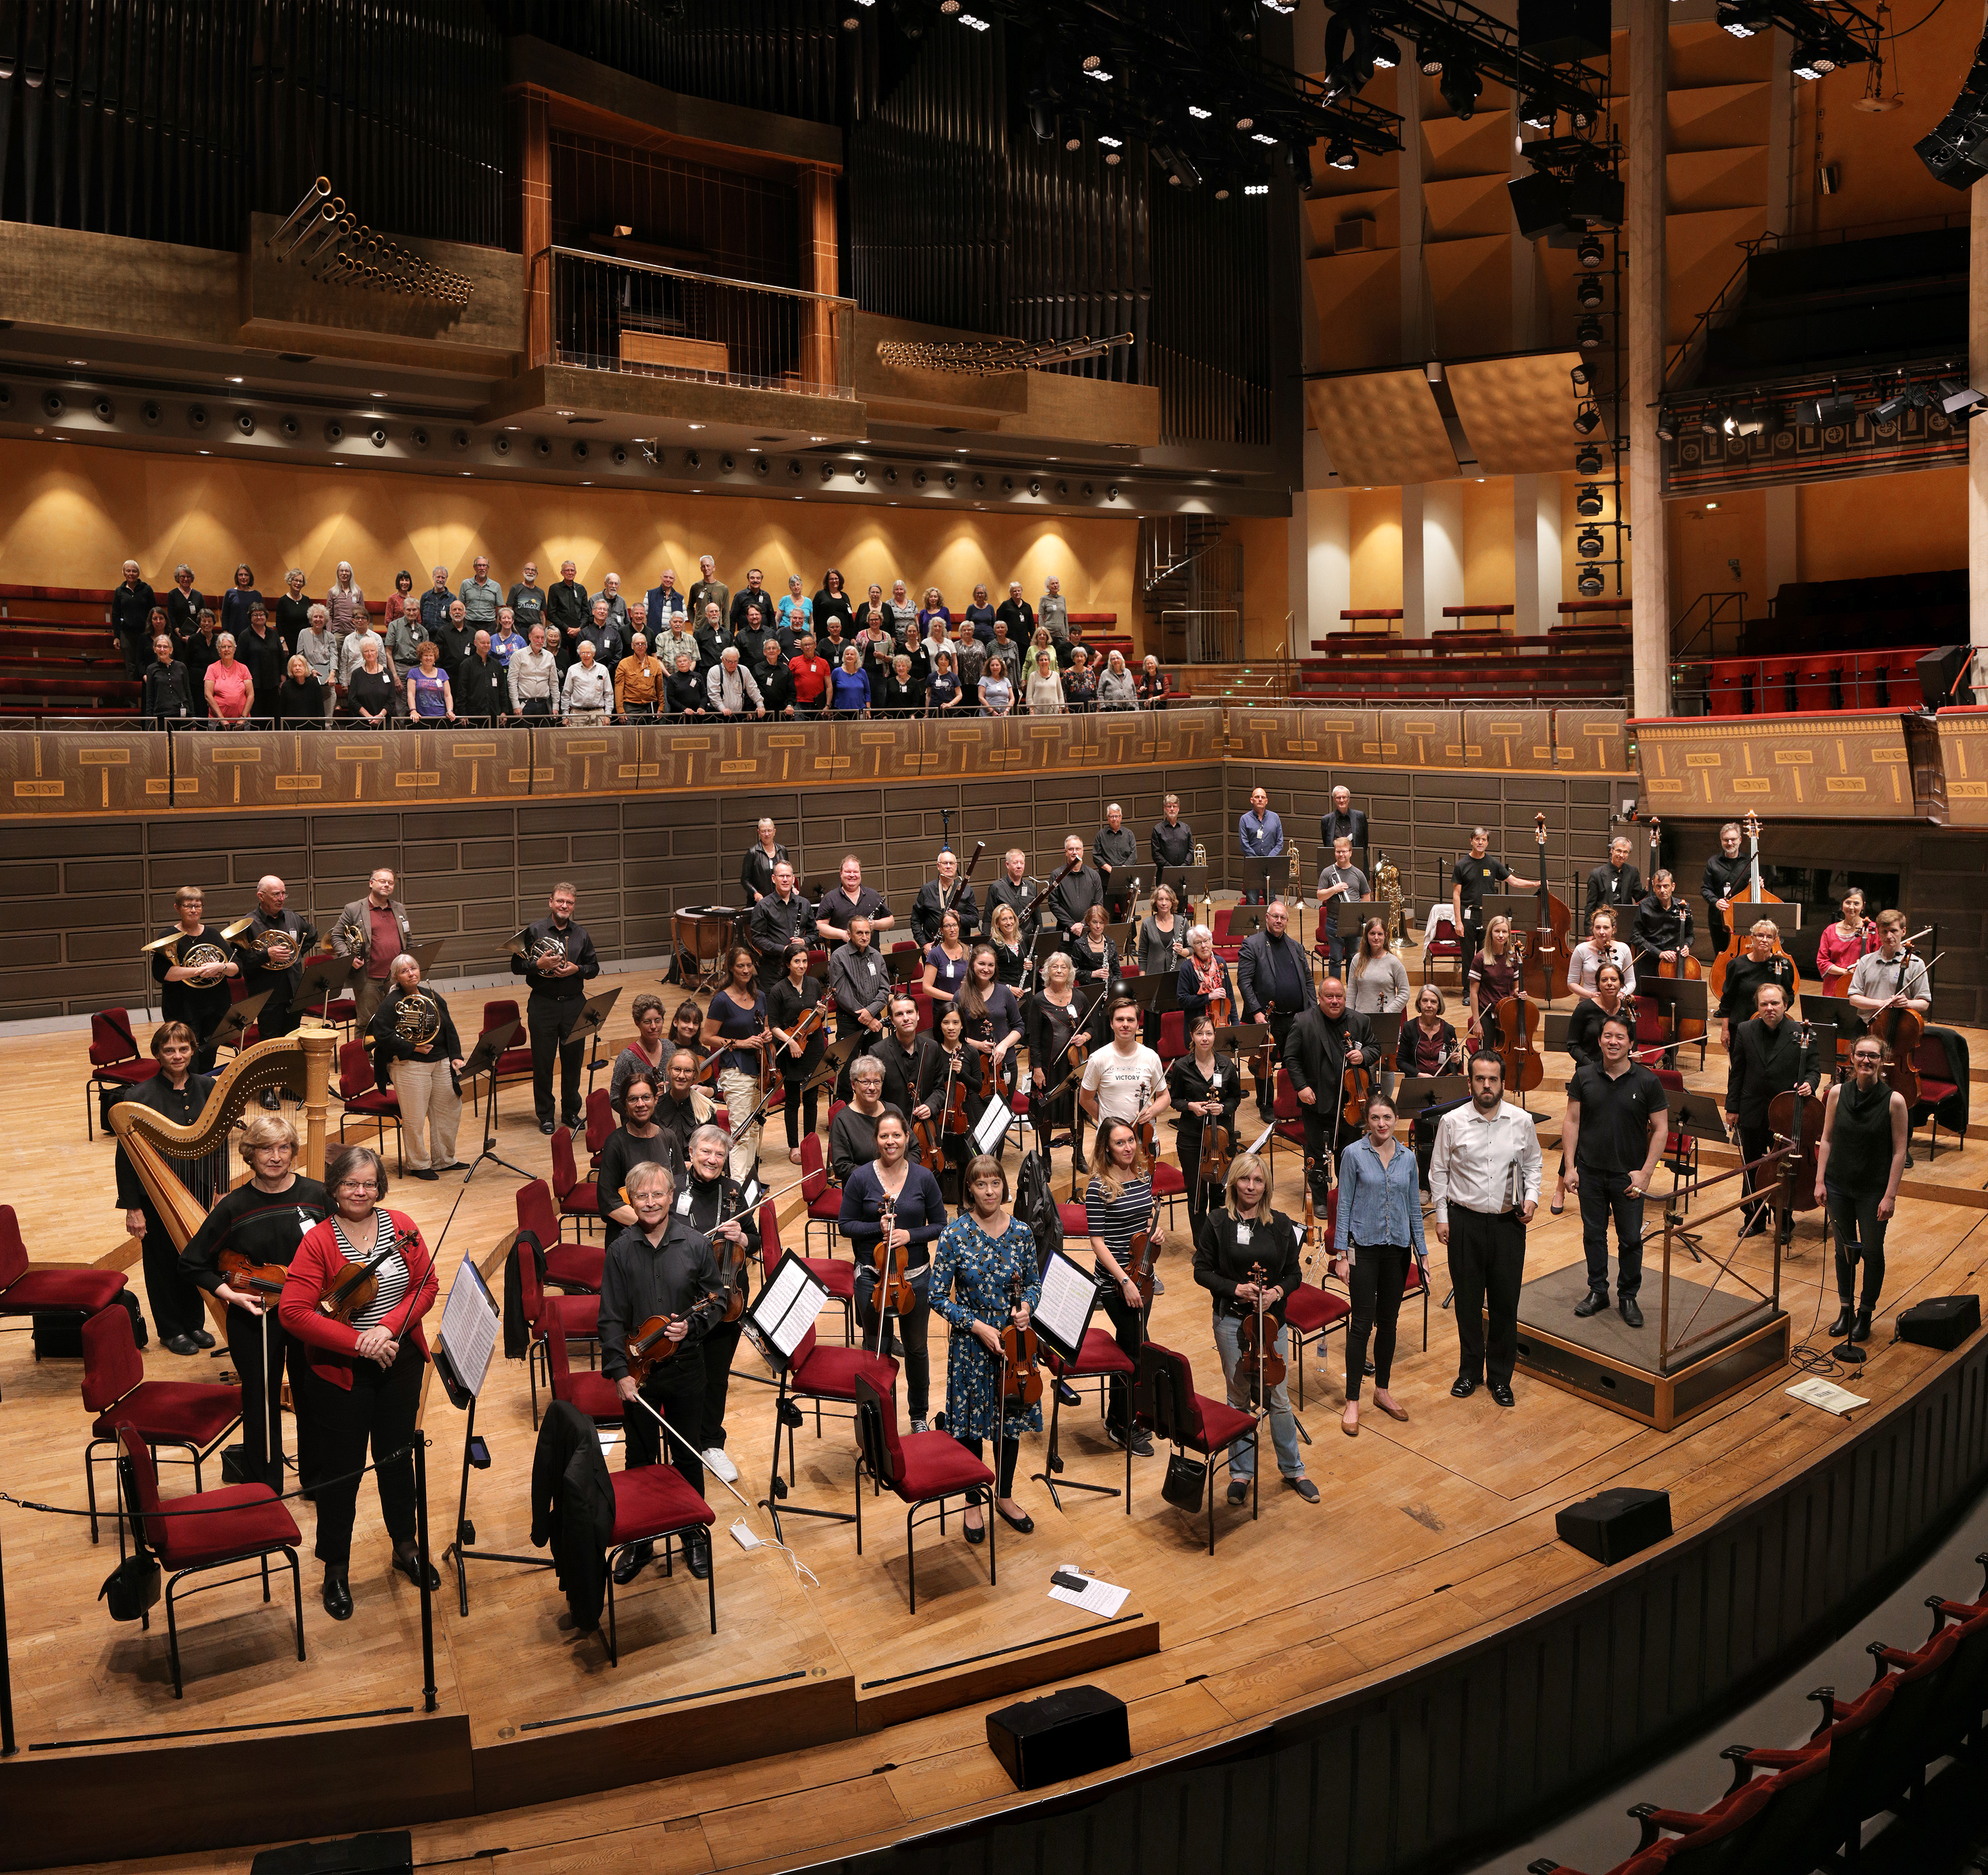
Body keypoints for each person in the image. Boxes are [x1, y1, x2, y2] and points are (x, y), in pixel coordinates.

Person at [278, 1144, 440, 1620]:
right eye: (351, 1183)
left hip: (400, 1361)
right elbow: (293, 1312)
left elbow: (425, 1285)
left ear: (380, 1187)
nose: (361, 1191)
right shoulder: (320, 1242)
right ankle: (336, 1566)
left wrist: (387, 1329)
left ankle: (405, 1545)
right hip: (340, 1375)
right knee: (342, 1472)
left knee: (396, 1458)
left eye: (369, 1183)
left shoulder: (402, 1225)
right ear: (334, 1188)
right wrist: (358, 1342)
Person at [181, 1112, 330, 1488]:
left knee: (312, 1394)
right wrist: (231, 1295)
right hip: (255, 1316)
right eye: (265, 1148)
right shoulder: (234, 1206)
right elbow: (192, 1263)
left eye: (283, 1147)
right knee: (260, 1400)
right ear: (250, 1155)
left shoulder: (317, 1196)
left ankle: (316, 1480)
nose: (276, 1156)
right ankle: (266, 1485)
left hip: (309, 1314)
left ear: (294, 1151)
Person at [599, 1159, 721, 1586]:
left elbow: (717, 1300)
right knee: (639, 1459)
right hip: (639, 1375)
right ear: (631, 1200)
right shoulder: (619, 1250)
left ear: (671, 1196)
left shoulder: (695, 1244)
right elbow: (611, 1318)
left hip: (687, 1369)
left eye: (658, 1194)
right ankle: (642, 1539)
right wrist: (620, 1373)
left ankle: (692, 1534)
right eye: (642, 1196)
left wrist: (693, 1326)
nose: (650, 1202)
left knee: (687, 1455)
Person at [1193, 1152, 1314, 1503]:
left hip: (1272, 1323)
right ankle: (1241, 1473)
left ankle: (1293, 1469)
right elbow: (1202, 1271)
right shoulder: (1217, 1222)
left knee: (1278, 1397)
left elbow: (1293, 1274)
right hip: (1232, 1320)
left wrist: (1276, 1291)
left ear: (1267, 1186)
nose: (1251, 1186)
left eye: (1258, 1180)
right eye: (1245, 1179)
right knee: (1238, 1398)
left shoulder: (1280, 1225)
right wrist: (1235, 1289)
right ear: (1234, 1183)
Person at [931, 1154, 1041, 1538]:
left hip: (1015, 1346)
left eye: (995, 1183)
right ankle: (974, 1501)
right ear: (970, 1190)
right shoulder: (954, 1235)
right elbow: (937, 1296)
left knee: (1010, 1420)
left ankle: (1005, 1495)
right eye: (981, 1184)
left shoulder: (1023, 1233)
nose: (989, 1191)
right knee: (971, 1426)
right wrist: (977, 1326)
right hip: (971, 1346)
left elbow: (1034, 1284)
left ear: (1003, 1187)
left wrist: (1026, 1307)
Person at [1429, 1051, 1541, 1408]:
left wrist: (1533, 1199)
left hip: (1509, 1224)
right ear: (1470, 1082)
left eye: (1493, 1079)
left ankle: (1501, 1378)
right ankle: (1469, 1372)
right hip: (1465, 1223)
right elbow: (1439, 1173)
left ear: (1503, 1083)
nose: (1487, 1085)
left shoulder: (1521, 1121)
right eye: (1480, 1079)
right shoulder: (1452, 1121)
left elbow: (1534, 1165)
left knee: (1506, 1303)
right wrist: (1442, 1217)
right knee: (1467, 1302)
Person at [111, 1021, 218, 1354]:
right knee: (162, 1263)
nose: (177, 1056)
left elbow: (218, 1139)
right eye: (169, 1050)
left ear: (193, 1049)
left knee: (195, 1258)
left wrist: (220, 1189)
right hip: (155, 1192)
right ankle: (172, 1330)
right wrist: (133, 1207)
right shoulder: (139, 1096)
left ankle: (194, 1325)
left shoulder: (208, 1087)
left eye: (183, 1049)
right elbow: (125, 1157)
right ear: (158, 1053)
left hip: (198, 1190)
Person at [841, 1108, 946, 1431]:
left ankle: (918, 1417)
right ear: (876, 1140)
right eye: (884, 1136)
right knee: (876, 1349)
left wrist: (910, 1235)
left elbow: (941, 1224)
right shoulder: (860, 1178)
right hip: (873, 1280)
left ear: (906, 1138)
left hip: (915, 1279)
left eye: (897, 1136)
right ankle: (877, 1420)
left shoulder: (923, 1177)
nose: (891, 1142)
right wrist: (878, 1228)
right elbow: (846, 1225)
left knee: (916, 1349)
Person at [1562, 1010, 1669, 1326]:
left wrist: (1646, 1173)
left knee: (1630, 1239)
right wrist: (1570, 1167)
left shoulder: (1648, 1081)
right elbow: (1571, 1121)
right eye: (1608, 1036)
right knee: (1593, 1235)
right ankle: (1598, 1291)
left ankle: (1628, 1296)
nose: (1613, 1042)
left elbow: (1661, 1129)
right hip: (1590, 1171)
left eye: (1620, 1037)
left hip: (1629, 1176)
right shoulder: (1584, 1076)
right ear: (1599, 1040)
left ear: (1631, 1043)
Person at [1331, 1094, 1425, 1435]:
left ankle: (1382, 1391)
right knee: (1361, 1324)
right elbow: (1344, 1205)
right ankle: (1353, 1400)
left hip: (1397, 1249)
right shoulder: (1353, 1154)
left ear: (1396, 1119)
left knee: (1389, 1323)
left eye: (1387, 1117)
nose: (1381, 1123)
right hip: (1364, 1248)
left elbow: (1414, 1207)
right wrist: (1341, 1253)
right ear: (1367, 1121)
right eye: (1375, 1118)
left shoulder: (1409, 1158)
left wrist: (1423, 1254)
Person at [676, 1124, 760, 1485]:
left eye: (719, 1155)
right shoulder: (675, 1189)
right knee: (685, 1375)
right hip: (685, 1298)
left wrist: (743, 1236)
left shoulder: (734, 1193)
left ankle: (711, 1442)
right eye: (705, 1152)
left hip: (727, 1298)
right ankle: (683, 1440)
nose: (712, 1159)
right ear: (691, 1153)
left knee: (718, 1376)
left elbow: (754, 1238)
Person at [1815, 1034, 1909, 1345]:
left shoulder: (1894, 1101)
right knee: (1844, 1250)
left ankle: (1866, 1312)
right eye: (1860, 1055)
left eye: (1873, 1056)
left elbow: (1899, 1152)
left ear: (1883, 1061)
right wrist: (1819, 1180)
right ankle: (1846, 1310)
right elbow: (1826, 1139)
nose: (1866, 1061)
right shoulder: (1837, 1094)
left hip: (1873, 1191)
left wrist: (1890, 1196)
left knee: (1870, 1251)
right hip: (1838, 1185)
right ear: (1852, 1058)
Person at [1085, 1116, 1157, 1454]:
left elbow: (1145, 1217)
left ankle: (1122, 1415)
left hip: (1143, 1273)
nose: (1128, 1147)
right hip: (1116, 1282)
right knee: (1135, 1352)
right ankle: (1121, 1424)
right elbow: (1097, 1242)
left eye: (1131, 1140)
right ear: (1106, 1147)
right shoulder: (1098, 1186)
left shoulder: (1141, 1175)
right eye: (1120, 1143)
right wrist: (1124, 1281)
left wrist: (1153, 1228)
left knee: (1133, 1347)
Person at [1723, 981, 1818, 1238]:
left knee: (1783, 1168)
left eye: (1775, 1003)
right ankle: (1754, 1218)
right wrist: (1732, 1107)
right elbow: (1737, 1072)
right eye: (1764, 1004)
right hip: (1752, 1110)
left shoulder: (1801, 1033)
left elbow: (1813, 1069)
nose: (1769, 1008)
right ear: (1758, 1007)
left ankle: (1784, 1221)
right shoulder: (1745, 1030)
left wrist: (1810, 1084)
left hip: (1785, 1113)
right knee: (1752, 1166)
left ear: (1785, 1005)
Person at [513, 881, 601, 1134]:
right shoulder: (534, 931)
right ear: (550, 902)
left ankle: (571, 1112)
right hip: (544, 1005)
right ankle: (546, 1116)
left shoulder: (581, 934)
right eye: (560, 901)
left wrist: (578, 969)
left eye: (569, 902)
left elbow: (593, 968)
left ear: (574, 906)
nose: (564, 906)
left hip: (575, 1005)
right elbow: (516, 966)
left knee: (573, 1063)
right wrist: (538, 964)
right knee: (543, 1063)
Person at [368, 954, 464, 1181]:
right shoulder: (391, 1002)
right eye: (405, 971)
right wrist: (413, 1047)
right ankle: (419, 1163)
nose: (411, 973)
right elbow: (381, 1034)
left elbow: (448, 1027)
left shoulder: (432, 995)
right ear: (396, 977)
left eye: (414, 968)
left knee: (448, 1111)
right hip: (410, 1065)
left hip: (440, 1061)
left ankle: (444, 1159)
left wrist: (456, 1056)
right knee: (415, 1118)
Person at [1079, 998, 1169, 1203]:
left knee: (1141, 1203)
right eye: (1120, 1019)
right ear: (1111, 1023)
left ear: (1138, 1023)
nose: (1125, 1024)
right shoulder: (1099, 1058)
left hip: (1144, 1143)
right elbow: (1085, 1099)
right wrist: (1108, 1124)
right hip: (1110, 1145)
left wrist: (1153, 1111)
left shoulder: (1150, 1057)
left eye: (1131, 1019)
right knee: (1110, 1203)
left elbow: (1165, 1097)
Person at [1284, 976, 1379, 1169]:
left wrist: (1363, 1055)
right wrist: (1301, 1087)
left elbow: (1375, 1047)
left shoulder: (1360, 1021)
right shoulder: (1303, 1021)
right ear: (1320, 997)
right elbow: (1291, 1058)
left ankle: (1345, 1197)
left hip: (1352, 1104)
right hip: (1316, 1101)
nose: (1335, 1001)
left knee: (1350, 1158)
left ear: (1345, 997)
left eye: (1339, 996)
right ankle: (1320, 1200)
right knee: (1317, 1157)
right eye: (1329, 996)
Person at [1237, 898, 1315, 1119]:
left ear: (1287, 921)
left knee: (1297, 1059)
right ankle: (1266, 1105)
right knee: (1265, 1063)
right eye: (1275, 916)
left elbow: (1308, 981)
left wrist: (1312, 1011)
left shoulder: (1296, 947)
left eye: (1283, 917)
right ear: (1267, 918)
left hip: (1296, 1018)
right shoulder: (1252, 944)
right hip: (1267, 1018)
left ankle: (1294, 1102)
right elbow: (1244, 981)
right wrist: (1255, 1012)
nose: (1279, 921)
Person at [149, 886, 240, 1072]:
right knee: (188, 1061)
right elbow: (163, 974)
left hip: (215, 1007)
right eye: (188, 906)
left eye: (198, 906)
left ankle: (204, 1094)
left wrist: (221, 967)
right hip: (183, 1009)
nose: (194, 910)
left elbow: (237, 968)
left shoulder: (213, 934)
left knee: (208, 1058)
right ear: (177, 908)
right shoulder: (167, 936)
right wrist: (199, 970)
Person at [701, 946, 772, 1182]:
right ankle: (738, 1187)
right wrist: (740, 1043)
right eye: (740, 966)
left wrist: (767, 1035)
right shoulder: (721, 1000)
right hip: (736, 1070)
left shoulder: (760, 996)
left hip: (760, 1069)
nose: (745, 970)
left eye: (749, 965)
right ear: (731, 968)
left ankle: (749, 1182)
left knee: (753, 1128)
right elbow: (707, 1037)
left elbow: (765, 1028)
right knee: (740, 1131)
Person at [1171, 1013, 1241, 1223]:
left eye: (1209, 1033)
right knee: (1197, 1194)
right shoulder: (1182, 1066)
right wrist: (1191, 1106)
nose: (1204, 1038)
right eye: (1200, 1033)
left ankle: (1218, 1242)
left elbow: (1235, 1098)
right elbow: (1174, 1100)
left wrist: (1223, 1108)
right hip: (1192, 1138)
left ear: (1214, 1035)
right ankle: (1201, 1247)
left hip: (1222, 1138)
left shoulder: (1226, 1064)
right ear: (1192, 1035)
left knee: (1220, 1194)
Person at [233, 874, 318, 1041]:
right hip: (268, 996)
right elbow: (241, 961)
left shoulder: (292, 917)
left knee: (293, 1039)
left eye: (284, 893)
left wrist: (294, 954)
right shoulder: (248, 923)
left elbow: (312, 935)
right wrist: (267, 955)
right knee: (270, 1042)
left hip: (294, 991)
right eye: (276, 895)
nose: (281, 899)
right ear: (261, 896)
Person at [1451, 826, 1539, 984]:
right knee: (1467, 955)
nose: (1480, 842)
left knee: (1485, 954)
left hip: (1487, 916)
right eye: (1477, 839)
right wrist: (1458, 922)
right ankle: (1467, 991)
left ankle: (1483, 988)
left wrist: (1535, 884)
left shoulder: (1492, 863)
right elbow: (1456, 895)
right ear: (1471, 841)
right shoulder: (1461, 865)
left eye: (1484, 840)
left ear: (1487, 843)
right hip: (1468, 915)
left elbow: (1513, 881)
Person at [332, 867, 414, 1034]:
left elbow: (408, 938)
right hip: (368, 978)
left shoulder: (399, 909)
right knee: (366, 1023)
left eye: (391, 883)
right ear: (371, 883)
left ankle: (389, 1058)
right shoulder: (354, 909)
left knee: (397, 1020)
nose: (387, 885)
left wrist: (411, 964)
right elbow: (335, 936)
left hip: (396, 977)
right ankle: (364, 1060)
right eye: (382, 881)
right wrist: (347, 957)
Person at [597, 1071, 683, 1232]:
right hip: (629, 1232)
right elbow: (608, 1200)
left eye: (646, 1097)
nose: (641, 1104)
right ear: (625, 1104)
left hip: (666, 1228)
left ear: (656, 1099)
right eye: (633, 1099)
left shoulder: (668, 1137)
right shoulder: (615, 1142)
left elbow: (680, 1186)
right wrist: (651, 1223)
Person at [1026, 951, 1089, 1166]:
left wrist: (1085, 1036)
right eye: (1055, 967)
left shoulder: (1080, 997)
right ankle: (1046, 1157)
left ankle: (1078, 1154)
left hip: (1074, 1064)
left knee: (1076, 1109)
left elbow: (1091, 1026)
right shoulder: (1038, 1000)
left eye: (1064, 967)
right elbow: (1033, 1038)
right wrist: (1037, 1068)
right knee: (1046, 1113)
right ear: (1047, 972)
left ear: (1070, 971)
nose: (1060, 970)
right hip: (1048, 1066)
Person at [769, 942, 829, 1161]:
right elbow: (773, 1024)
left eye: (804, 961)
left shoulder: (813, 984)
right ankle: (794, 1147)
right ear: (788, 964)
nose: (802, 965)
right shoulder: (778, 990)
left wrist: (821, 1014)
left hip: (813, 1048)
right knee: (793, 1100)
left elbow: (815, 1019)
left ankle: (809, 1144)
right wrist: (791, 1042)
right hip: (791, 1049)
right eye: (797, 962)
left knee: (812, 1098)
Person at [1715, 920, 1798, 1050]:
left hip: (1771, 1027)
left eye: (1769, 937)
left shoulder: (1784, 965)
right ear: (1752, 938)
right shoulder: (1737, 965)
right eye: (1760, 935)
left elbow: (1789, 995)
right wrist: (1725, 1030)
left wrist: (1777, 1009)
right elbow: (1727, 1000)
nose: (1764, 940)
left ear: (1775, 941)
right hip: (1740, 1027)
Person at [1846, 908, 1932, 1018]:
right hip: (1867, 1025)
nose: (1889, 936)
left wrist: (1907, 1003)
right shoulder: (1865, 961)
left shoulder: (1916, 963)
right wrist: (1882, 1004)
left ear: (1904, 931)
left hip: (1901, 1026)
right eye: (1884, 931)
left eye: (1894, 931)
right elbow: (1854, 998)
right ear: (1878, 932)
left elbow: (1924, 1003)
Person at [747, 859, 815, 988]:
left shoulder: (804, 904)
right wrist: (782, 949)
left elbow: (815, 933)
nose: (785, 879)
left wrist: (804, 942)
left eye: (788, 876)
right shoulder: (763, 906)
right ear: (774, 878)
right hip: (773, 970)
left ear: (793, 878)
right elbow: (756, 939)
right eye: (781, 876)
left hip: (798, 970)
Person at [829, 915, 892, 1042]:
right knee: (849, 1062)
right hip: (849, 1022)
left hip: (875, 1017)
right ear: (849, 934)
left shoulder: (877, 956)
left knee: (875, 1061)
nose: (864, 937)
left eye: (867, 933)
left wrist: (871, 1011)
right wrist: (867, 1017)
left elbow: (885, 989)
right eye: (859, 933)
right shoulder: (838, 957)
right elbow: (841, 994)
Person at [1466, 914, 1524, 1052]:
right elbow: (1473, 993)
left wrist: (1520, 994)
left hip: (1507, 1012)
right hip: (1486, 1012)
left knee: (1505, 1052)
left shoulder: (1513, 958)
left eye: (1505, 932)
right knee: (1487, 1052)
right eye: (1497, 931)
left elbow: (1516, 988)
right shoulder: (1480, 958)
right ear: (1490, 933)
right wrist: (1476, 1022)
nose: (1501, 935)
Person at [609, 993, 672, 1115]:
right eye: (647, 1022)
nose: (654, 1026)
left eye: (658, 1020)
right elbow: (615, 1099)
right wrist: (642, 1110)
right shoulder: (627, 1059)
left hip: (668, 1117)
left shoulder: (669, 1047)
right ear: (637, 1023)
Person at [1316, 836, 1369, 976]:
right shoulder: (1328, 872)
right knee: (1335, 959)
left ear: (1350, 852)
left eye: (1344, 851)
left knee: (1353, 958)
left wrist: (1360, 915)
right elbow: (1320, 896)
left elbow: (1366, 896)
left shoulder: (1358, 874)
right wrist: (1335, 889)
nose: (1341, 854)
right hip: (1334, 922)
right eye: (1338, 851)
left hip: (1354, 923)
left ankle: (1351, 992)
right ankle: (1335, 993)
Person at [1564, 961, 1629, 1072]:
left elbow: (1631, 1042)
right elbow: (1573, 1045)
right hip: (1589, 1069)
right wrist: (1592, 1066)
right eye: (1604, 980)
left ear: (1621, 984)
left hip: (1620, 1070)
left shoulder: (1627, 1009)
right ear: (1598, 984)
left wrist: (1634, 1055)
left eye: (1614, 979)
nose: (1609, 983)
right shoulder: (1584, 1009)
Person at [1629, 870, 1695, 978]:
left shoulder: (1683, 907)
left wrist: (1686, 946)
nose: (1662, 890)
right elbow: (1635, 937)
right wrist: (1659, 953)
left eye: (1666, 886)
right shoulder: (1644, 906)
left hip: (1674, 961)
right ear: (1654, 888)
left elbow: (1690, 935)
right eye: (1658, 887)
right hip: (1649, 959)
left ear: (1673, 887)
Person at [1069, 902, 1119, 1042]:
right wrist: (1093, 974)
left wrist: (1113, 992)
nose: (1098, 926)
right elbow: (1072, 972)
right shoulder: (1080, 944)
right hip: (1089, 995)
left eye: (1101, 923)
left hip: (1108, 996)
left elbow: (1117, 972)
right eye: (1094, 922)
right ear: (1088, 923)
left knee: (1109, 1034)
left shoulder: (1111, 943)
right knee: (1094, 1034)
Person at [1701, 821, 1751, 959]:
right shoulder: (1713, 862)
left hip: (1742, 918)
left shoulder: (1750, 861)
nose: (1730, 843)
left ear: (1740, 840)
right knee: (1721, 954)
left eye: (1733, 839)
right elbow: (1705, 889)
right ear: (1721, 841)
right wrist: (1716, 902)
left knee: (1742, 956)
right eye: (1726, 840)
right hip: (1718, 918)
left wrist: (1759, 883)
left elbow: (1759, 886)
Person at [912, 846, 980, 945]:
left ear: (956, 866)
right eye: (945, 863)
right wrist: (924, 944)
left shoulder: (967, 890)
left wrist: (959, 917)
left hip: (960, 947)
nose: (949, 866)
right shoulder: (927, 890)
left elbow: (975, 920)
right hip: (933, 948)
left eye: (951, 863)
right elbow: (915, 920)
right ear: (938, 866)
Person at [817, 856, 893, 944]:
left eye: (856, 872)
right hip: (843, 954)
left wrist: (875, 924)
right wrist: (842, 934)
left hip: (871, 953)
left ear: (860, 873)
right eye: (848, 872)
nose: (852, 875)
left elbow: (890, 921)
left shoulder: (873, 895)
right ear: (841, 873)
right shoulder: (830, 898)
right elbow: (819, 926)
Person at [1815, 886, 1877, 993]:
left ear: (1863, 906)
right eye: (1848, 903)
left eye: (1856, 904)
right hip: (1834, 987)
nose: (1851, 907)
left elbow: (1878, 958)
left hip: (1863, 987)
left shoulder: (1872, 929)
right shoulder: (1830, 931)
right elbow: (1822, 961)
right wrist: (1845, 973)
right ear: (1842, 905)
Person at [1046, 832, 1105, 943]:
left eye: (1078, 849)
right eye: (1071, 849)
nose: (1074, 852)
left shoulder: (1094, 875)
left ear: (1082, 851)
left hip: (1089, 931)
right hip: (1065, 932)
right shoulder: (1056, 875)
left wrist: (1083, 924)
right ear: (1066, 852)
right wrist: (1072, 925)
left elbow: (1098, 905)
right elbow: (1053, 904)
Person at [1347, 916, 1411, 1019]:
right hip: (1361, 1018)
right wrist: (1349, 1017)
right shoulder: (1357, 959)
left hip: (1385, 1020)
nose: (1376, 938)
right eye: (1372, 934)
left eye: (1380, 934)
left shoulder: (1394, 963)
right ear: (1366, 935)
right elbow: (1351, 991)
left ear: (1385, 936)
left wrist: (1388, 1012)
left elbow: (1405, 993)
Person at [1567, 909, 1636, 1002]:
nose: (1601, 932)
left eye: (1606, 928)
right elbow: (1572, 983)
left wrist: (1622, 993)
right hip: (1589, 1001)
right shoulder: (1581, 949)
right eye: (1598, 928)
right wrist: (1591, 995)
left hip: (1616, 1002)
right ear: (1593, 929)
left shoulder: (1624, 949)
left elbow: (1631, 981)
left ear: (1614, 929)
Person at [1176, 923, 1237, 1029]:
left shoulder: (1220, 962)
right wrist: (1208, 997)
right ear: (1193, 947)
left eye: (1206, 941)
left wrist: (1236, 1024)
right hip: (1197, 1027)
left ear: (1211, 942)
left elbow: (1230, 996)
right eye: (1198, 943)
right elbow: (1182, 999)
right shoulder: (1187, 968)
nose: (1203, 946)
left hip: (1221, 1023)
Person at [1397, 984, 1459, 1079]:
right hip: (1417, 1082)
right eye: (1425, 1001)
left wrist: (1457, 1062)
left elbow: (1455, 1067)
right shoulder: (1409, 1027)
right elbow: (1401, 1061)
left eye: (1433, 1002)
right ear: (1419, 1003)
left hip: (1442, 1083)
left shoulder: (1448, 1030)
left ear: (1439, 1005)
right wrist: (1418, 1074)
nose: (1429, 1005)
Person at [1584, 834, 1642, 927]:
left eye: (1625, 852)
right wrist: (1588, 931)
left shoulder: (1633, 872)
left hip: (1624, 921)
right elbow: (1590, 905)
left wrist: (1648, 889)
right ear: (1612, 850)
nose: (1621, 855)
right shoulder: (1596, 874)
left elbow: (1638, 897)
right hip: (1603, 922)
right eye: (1619, 851)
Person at [1237, 786, 1283, 904]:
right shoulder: (1245, 819)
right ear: (1252, 800)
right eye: (1257, 797)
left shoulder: (1275, 818)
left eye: (1263, 797)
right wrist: (1258, 861)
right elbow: (1244, 844)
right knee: (1252, 902)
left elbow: (1280, 843)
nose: (1260, 800)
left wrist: (1267, 860)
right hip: (1252, 867)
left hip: (1271, 866)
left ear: (1266, 801)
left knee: (1271, 901)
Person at [113, 558, 158, 676]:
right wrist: (117, 637)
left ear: (138, 574)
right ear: (124, 573)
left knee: (146, 664)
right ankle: (133, 694)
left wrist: (154, 631)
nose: (131, 574)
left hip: (145, 633)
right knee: (131, 667)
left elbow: (154, 611)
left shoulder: (146, 589)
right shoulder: (119, 591)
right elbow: (116, 615)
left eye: (134, 571)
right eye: (128, 571)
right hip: (126, 634)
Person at [922, 908, 971, 1012]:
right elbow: (926, 987)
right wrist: (954, 998)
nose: (952, 929)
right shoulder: (935, 954)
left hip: (966, 1008)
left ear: (959, 927)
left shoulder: (968, 951)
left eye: (955, 925)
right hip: (943, 1010)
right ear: (942, 930)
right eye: (947, 926)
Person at [507, 622, 560, 718]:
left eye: (542, 638)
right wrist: (516, 705)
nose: (540, 641)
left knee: (544, 733)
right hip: (525, 705)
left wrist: (556, 705)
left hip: (545, 704)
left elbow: (554, 683)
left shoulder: (549, 656)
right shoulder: (518, 655)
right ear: (530, 637)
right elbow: (512, 681)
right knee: (524, 733)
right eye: (537, 638)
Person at [142, 632, 196, 725]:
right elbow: (150, 698)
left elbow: (188, 694)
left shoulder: (181, 667)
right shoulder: (151, 669)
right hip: (161, 716)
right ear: (154, 649)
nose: (162, 649)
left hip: (182, 716)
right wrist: (149, 724)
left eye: (165, 647)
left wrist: (193, 720)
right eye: (159, 646)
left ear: (171, 650)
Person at [456, 631, 509, 722]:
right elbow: (462, 692)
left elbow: (502, 690)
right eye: (483, 643)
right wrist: (462, 713)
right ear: (476, 643)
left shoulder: (497, 665)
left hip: (494, 715)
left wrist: (504, 711)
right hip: (473, 716)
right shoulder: (467, 665)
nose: (486, 645)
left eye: (488, 643)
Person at [204, 632, 254, 724]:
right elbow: (208, 696)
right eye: (223, 647)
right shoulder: (212, 668)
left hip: (241, 721)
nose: (227, 650)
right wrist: (222, 719)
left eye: (230, 647)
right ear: (219, 649)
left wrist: (243, 718)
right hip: (218, 722)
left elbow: (251, 695)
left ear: (234, 649)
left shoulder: (243, 668)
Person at [561, 638, 614, 722]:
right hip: (577, 715)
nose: (586, 656)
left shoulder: (603, 669)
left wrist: (608, 715)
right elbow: (566, 694)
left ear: (593, 654)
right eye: (583, 653)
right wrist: (565, 715)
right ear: (580, 654)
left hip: (598, 714)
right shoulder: (572, 670)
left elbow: (609, 694)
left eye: (588, 653)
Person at [739, 818, 789, 906]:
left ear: (774, 831)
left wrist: (793, 888)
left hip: (780, 900)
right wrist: (755, 893)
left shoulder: (782, 850)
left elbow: (788, 873)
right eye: (763, 831)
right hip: (760, 902)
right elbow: (745, 880)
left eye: (769, 831)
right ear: (759, 832)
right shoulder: (753, 853)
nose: (767, 834)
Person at [404, 639, 454, 725]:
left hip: (441, 718)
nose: (428, 658)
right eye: (426, 655)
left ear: (435, 658)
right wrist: (413, 711)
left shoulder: (442, 673)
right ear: (421, 657)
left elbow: (448, 695)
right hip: (420, 717)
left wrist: (450, 710)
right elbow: (411, 695)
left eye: (431, 655)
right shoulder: (413, 673)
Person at [1320, 785, 1369, 873]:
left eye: (1344, 797)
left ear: (1349, 799)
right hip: (1335, 867)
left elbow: (1365, 842)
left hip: (1357, 866)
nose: (1342, 800)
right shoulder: (1326, 820)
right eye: (1338, 797)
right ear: (1334, 799)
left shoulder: (1360, 816)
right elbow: (1326, 844)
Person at [1151, 792, 1195, 886]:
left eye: (1174, 806)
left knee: (1182, 901)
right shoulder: (1157, 829)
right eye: (1169, 806)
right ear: (1164, 808)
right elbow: (1156, 854)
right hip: (1164, 875)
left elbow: (1191, 851)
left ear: (1178, 808)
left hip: (1183, 875)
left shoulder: (1186, 828)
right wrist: (1171, 869)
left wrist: (1182, 867)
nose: (1172, 809)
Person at [277, 652, 327, 726]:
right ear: (291, 669)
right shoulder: (286, 686)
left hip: (312, 727)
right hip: (292, 728)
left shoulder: (314, 685)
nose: (297, 668)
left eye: (300, 666)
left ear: (305, 668)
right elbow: (282, 711)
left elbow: (320, 710)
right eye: (294, 666)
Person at [508, 561, 547, 637]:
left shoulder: (541, 592)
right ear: (523, 572)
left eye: (533, 570)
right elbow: (509, 610)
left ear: (537, 574)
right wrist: (513, 629)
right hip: (519, 627)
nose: (530, 572)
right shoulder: (515, 589)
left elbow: (542, 615)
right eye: (527, 569)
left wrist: (543, 630)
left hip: (536, 628)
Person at [831, 644, 872, 716]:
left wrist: (868, 710)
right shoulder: (837, 672)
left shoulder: (862, 672)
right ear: (844, 657)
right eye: (847, 654)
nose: (849, 656)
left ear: (856, 658)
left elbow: (867, 692)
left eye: (852, 654)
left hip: (859, 711)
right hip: (840, 710)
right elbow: (830, 690)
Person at [1024, 649, 1064, 714]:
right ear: (1037, 662)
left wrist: (1061, 710)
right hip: (1037, 711)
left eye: (1046, 660)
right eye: (1041, 660)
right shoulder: (1033, 676)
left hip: (1054, 711)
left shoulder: (1056, 675)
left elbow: (1060, 695)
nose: (1044, 662)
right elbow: (1029, 696)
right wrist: (1032, 711)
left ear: (1049, 662)